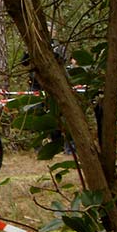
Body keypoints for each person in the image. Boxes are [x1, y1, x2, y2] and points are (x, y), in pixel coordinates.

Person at [20, 22, 75, 154]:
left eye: (51, 30)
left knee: (59, 115)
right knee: (35, 114)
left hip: (55, 86)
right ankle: (38, 147)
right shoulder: (33, 45)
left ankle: (66, 146)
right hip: (36, 86)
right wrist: (29, 53)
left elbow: (62, 60)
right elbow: (23, 62)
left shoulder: (57, 46)